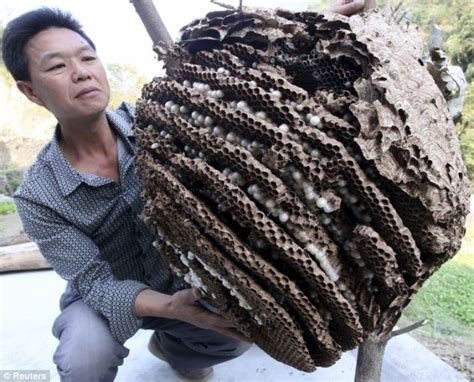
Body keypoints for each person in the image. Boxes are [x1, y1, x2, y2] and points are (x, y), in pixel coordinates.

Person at [1, 1, 364, 381]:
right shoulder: (37, 195)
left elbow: (233, 77)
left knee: (236, 336)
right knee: (84, 357)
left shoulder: (154, 121)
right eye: (58, 66)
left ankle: (174, 351)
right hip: (103, 297)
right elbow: (95, 283)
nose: (81, 73)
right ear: (32, 92)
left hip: (185, 278)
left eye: (87, 58)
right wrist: (171, 308)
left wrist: (314, 27)